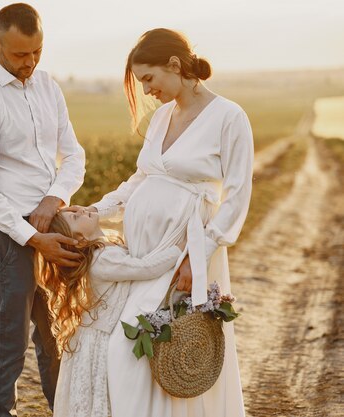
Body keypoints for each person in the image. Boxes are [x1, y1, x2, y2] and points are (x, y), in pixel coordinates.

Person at [67, 28, 253, 416]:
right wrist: (95, 213)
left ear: (174, 65)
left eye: (149, 79)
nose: (147, 90)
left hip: (185, 251)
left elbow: (236, 196)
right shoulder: (162, 118)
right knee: (141, 349)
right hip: (143, 252)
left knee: (162, 346)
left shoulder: (229, 116)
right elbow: (140, 180)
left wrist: (197, 258)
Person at [0, 3, 86, 417]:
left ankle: (62, 411)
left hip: (52, 225)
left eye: (37, 52)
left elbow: (74, 156)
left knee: (56, 336)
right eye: (19, 55)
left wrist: (55, 197)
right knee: (8, 340)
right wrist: (34, 238)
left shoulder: (49, 86)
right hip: (4, 237)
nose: (29, 63)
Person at [36, 210, 184, 417]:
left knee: (93, 396)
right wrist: (179, 250)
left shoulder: (104, 250)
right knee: (98, 393)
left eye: (76, 211)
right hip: (98, 341)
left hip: (93, 336)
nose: (81, 211)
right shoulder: (103, 259)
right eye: (76, 218)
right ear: (80, 240)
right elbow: (146, 268)